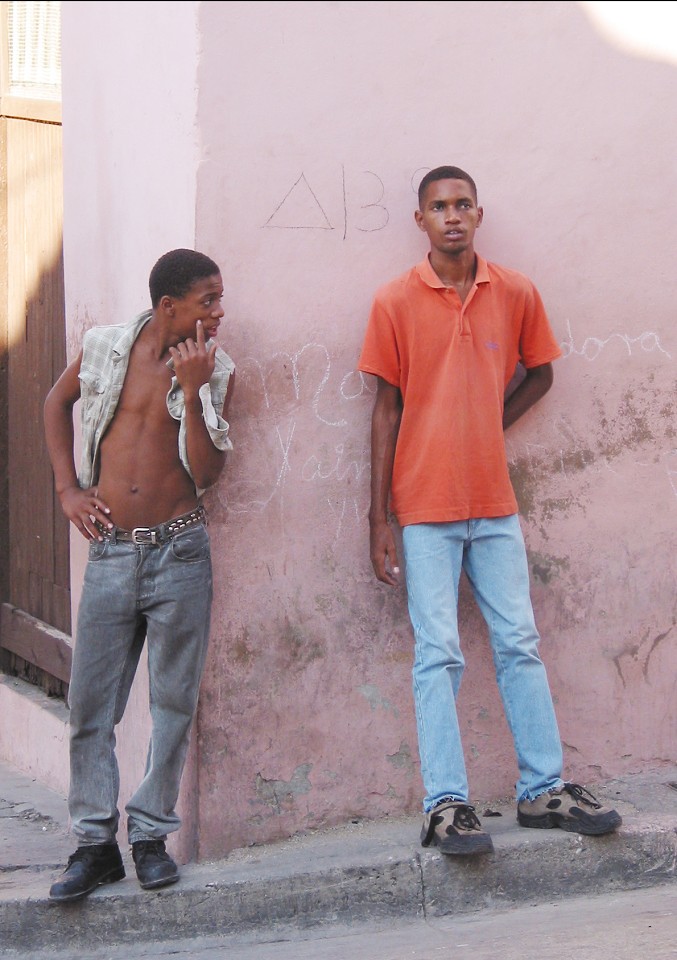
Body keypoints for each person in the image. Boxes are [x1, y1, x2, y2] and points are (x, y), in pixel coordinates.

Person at [357, 166, 621, 856]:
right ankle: (446, 805)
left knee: (518, 643)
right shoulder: (394, 300)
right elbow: (384, 410)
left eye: (462, 205)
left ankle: (542, 789)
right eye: (438, 206)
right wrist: (378, 519)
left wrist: (486, 426)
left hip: (493, 504)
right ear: (420, 220)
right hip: (423, 507)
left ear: (479, 214)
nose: (452, 216)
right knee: (438, 653)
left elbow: (542, 373)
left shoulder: (514, 291)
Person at [43, 248, 235, 900]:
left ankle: (151, 836)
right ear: (168, 306)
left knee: (172, 704)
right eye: (208, 299)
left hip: (180, 553)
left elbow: (207, 473)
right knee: (90, 705)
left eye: (219, 298)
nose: (219, 311)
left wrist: (194, 391)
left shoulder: (215, 369)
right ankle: (94, 845)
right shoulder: (106, 348)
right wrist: (68, 490)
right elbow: (55, 403)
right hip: (112, 553)